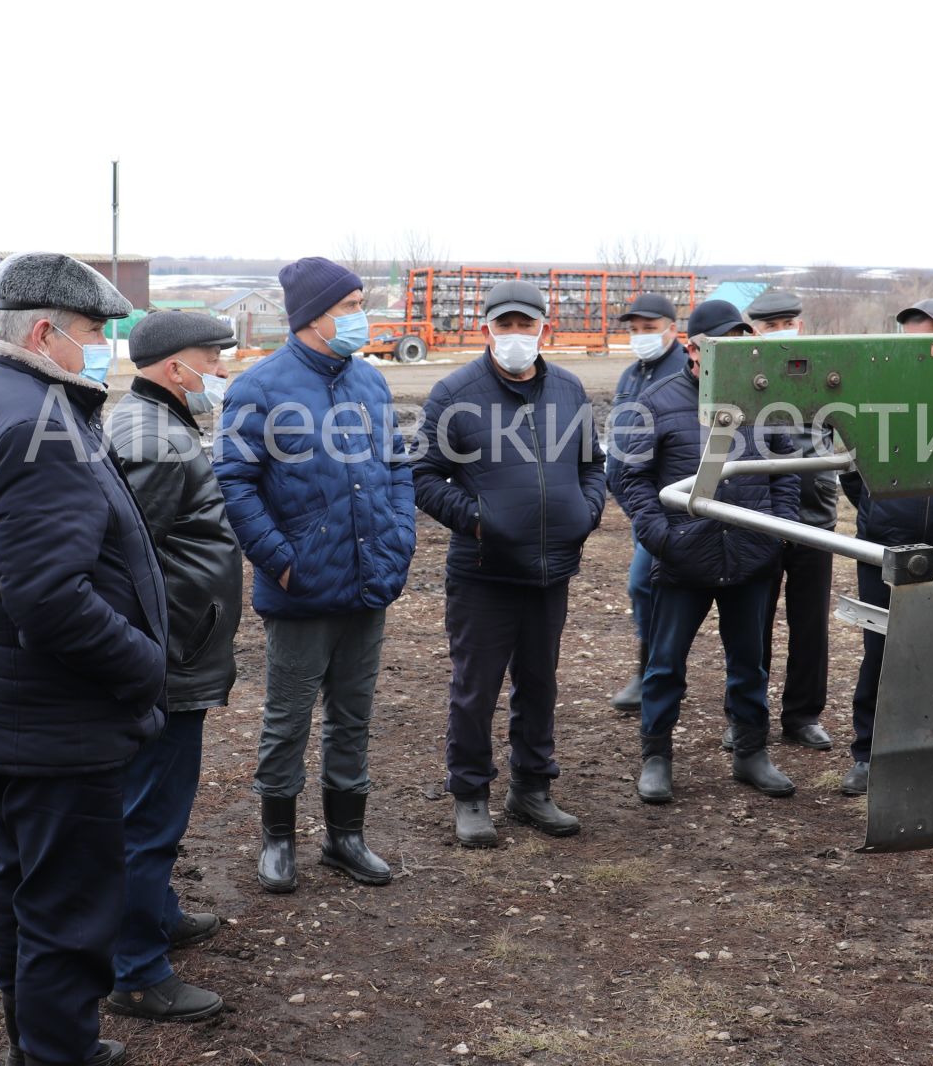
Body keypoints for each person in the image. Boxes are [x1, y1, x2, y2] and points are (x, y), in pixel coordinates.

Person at [0, 252, 165, 1066]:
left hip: (14, 714)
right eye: (97, 332)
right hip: (57, 725)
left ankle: (36, 1045)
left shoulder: (0, 399)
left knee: (22, 893)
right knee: (67, 918)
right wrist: (145, 664)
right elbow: (50, 600)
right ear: (44, 331)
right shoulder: (38, 425)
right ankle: (57, 1052)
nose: (104, 347)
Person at [213, 256, 416, 894]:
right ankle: (277, 838)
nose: (363, 317)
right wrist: (280, 558)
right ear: (314, 316)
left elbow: (397, 464)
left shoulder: (370, 383)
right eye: (352, 306)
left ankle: (345, 837)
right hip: (301, 584)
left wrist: (400, 536)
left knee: (353, 715)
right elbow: (235, 482)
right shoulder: (260, 387)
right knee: (288, 718)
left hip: (368, 577)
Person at [413, 281, 606, 848]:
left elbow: (594, 465)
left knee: (540, 683)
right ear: (487, 330)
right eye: (506, 325)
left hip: (551, 571)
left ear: (544, 328)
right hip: (483, 572)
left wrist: (588, 510)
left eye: (527, 325)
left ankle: (532, 788)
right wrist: (478, 520)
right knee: (476, 688)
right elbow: (423, 475)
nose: (517, 336)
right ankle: (470, 793)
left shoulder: (570, 391)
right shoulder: (455, 393)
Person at [101, 310, 244, 1024]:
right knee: (150, 815)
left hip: (177, 650)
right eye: (210, 359)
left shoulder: (154, 424)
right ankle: (135, 971)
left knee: (151, 808)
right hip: (169, 658)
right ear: (172, 368)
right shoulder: (154, 440)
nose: (220, 371)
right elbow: (129, 563)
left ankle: (156, 914)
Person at [612, 299, 802, 805]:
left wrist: (775, 529)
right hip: (682, 559)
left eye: (743, 342)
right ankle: (656, 757)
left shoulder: (767, 404)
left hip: (750, 556)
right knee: (665, 662)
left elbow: (785, 469)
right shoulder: (654, 404)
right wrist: (662, 537)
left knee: (749, 662)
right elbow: (629, 479)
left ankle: (750, 752)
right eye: (723, 343)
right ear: (694, 349)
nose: (736, 352)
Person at [839, 297, 933, 797]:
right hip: (885, 548)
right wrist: (882, 514)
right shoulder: (880, 398)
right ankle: (869, 754)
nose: (915, 350)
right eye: (908, 340)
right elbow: (853, 473)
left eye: (926, 339)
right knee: (882, 651)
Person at [743, 288, 839, 752]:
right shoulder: (743, 374)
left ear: (799, 326)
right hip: (756, 517)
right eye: (768, 326)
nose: (780, 332)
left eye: (787, 323)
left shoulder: (828, 373)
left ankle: (803, 715)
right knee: (751, 622)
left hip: (813, 518)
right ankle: (745, 714)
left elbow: (852, 436)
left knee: (810, 624)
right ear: (754, 331)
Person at [605, 291, 692, 714]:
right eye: (635, 330)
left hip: (669, 503)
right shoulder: (631, 375)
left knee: (646, 584)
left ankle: (655, 673)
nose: (640, 336)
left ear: (672, 330)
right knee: (647, 587)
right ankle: (654, 671)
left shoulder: (681, 373)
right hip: (640, 503)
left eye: (650, 329)